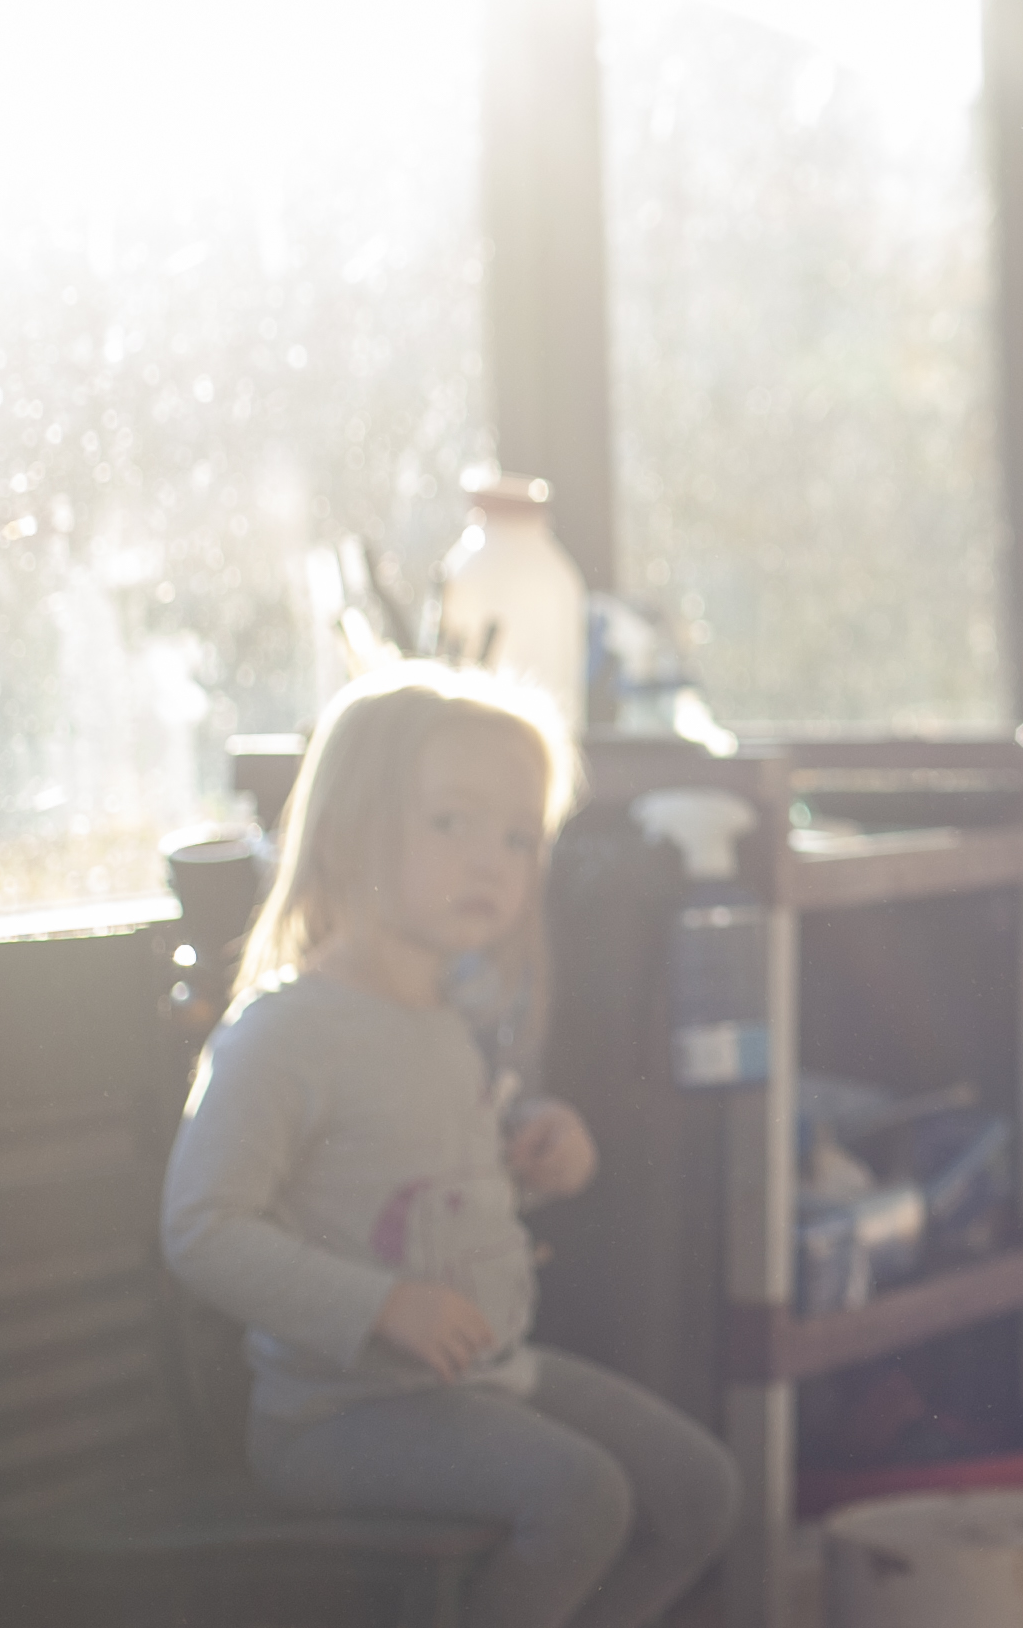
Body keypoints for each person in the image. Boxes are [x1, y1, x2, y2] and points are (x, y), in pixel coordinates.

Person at [163, 668, 737, 1628]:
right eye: (451, 824)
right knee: (582, 1497)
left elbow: (436, 1189)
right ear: (353, 829)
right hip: (337, 1414)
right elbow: (202, 1229)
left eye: (517, 837)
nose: (493, 863)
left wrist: (545, 1151)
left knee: (701, 1495)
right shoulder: (286, 1032)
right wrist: (383, 1306)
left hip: (483, 1373)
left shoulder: (454, 1018)